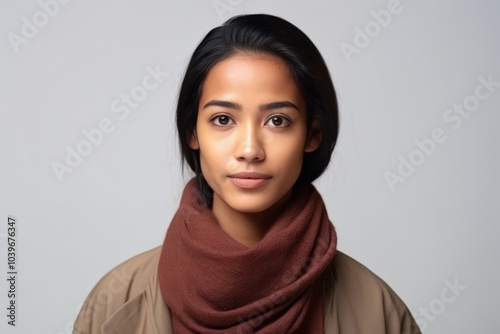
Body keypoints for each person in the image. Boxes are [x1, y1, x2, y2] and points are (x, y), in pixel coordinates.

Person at [73, 14, 421, 334]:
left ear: (312, 134)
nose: (250, 149)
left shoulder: (379, 313)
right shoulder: (114, 303)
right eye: (223, 120)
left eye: (277, 120)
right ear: (192, 132)